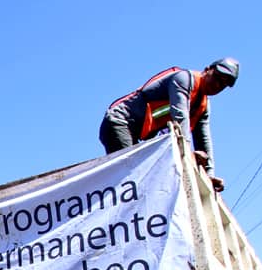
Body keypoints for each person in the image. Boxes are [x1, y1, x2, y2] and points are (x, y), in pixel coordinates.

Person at [98, 58, 239, 190]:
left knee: (142, 176)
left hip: (135, 133)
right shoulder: (184, 79)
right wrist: (188, 154)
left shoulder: (202, 105)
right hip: (119, 122)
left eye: (223, 84)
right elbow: (180, 117)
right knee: (132, 173)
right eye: (217, 78)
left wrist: (208, 175)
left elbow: (204, 139)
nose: (217, 85)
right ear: (207, 69)